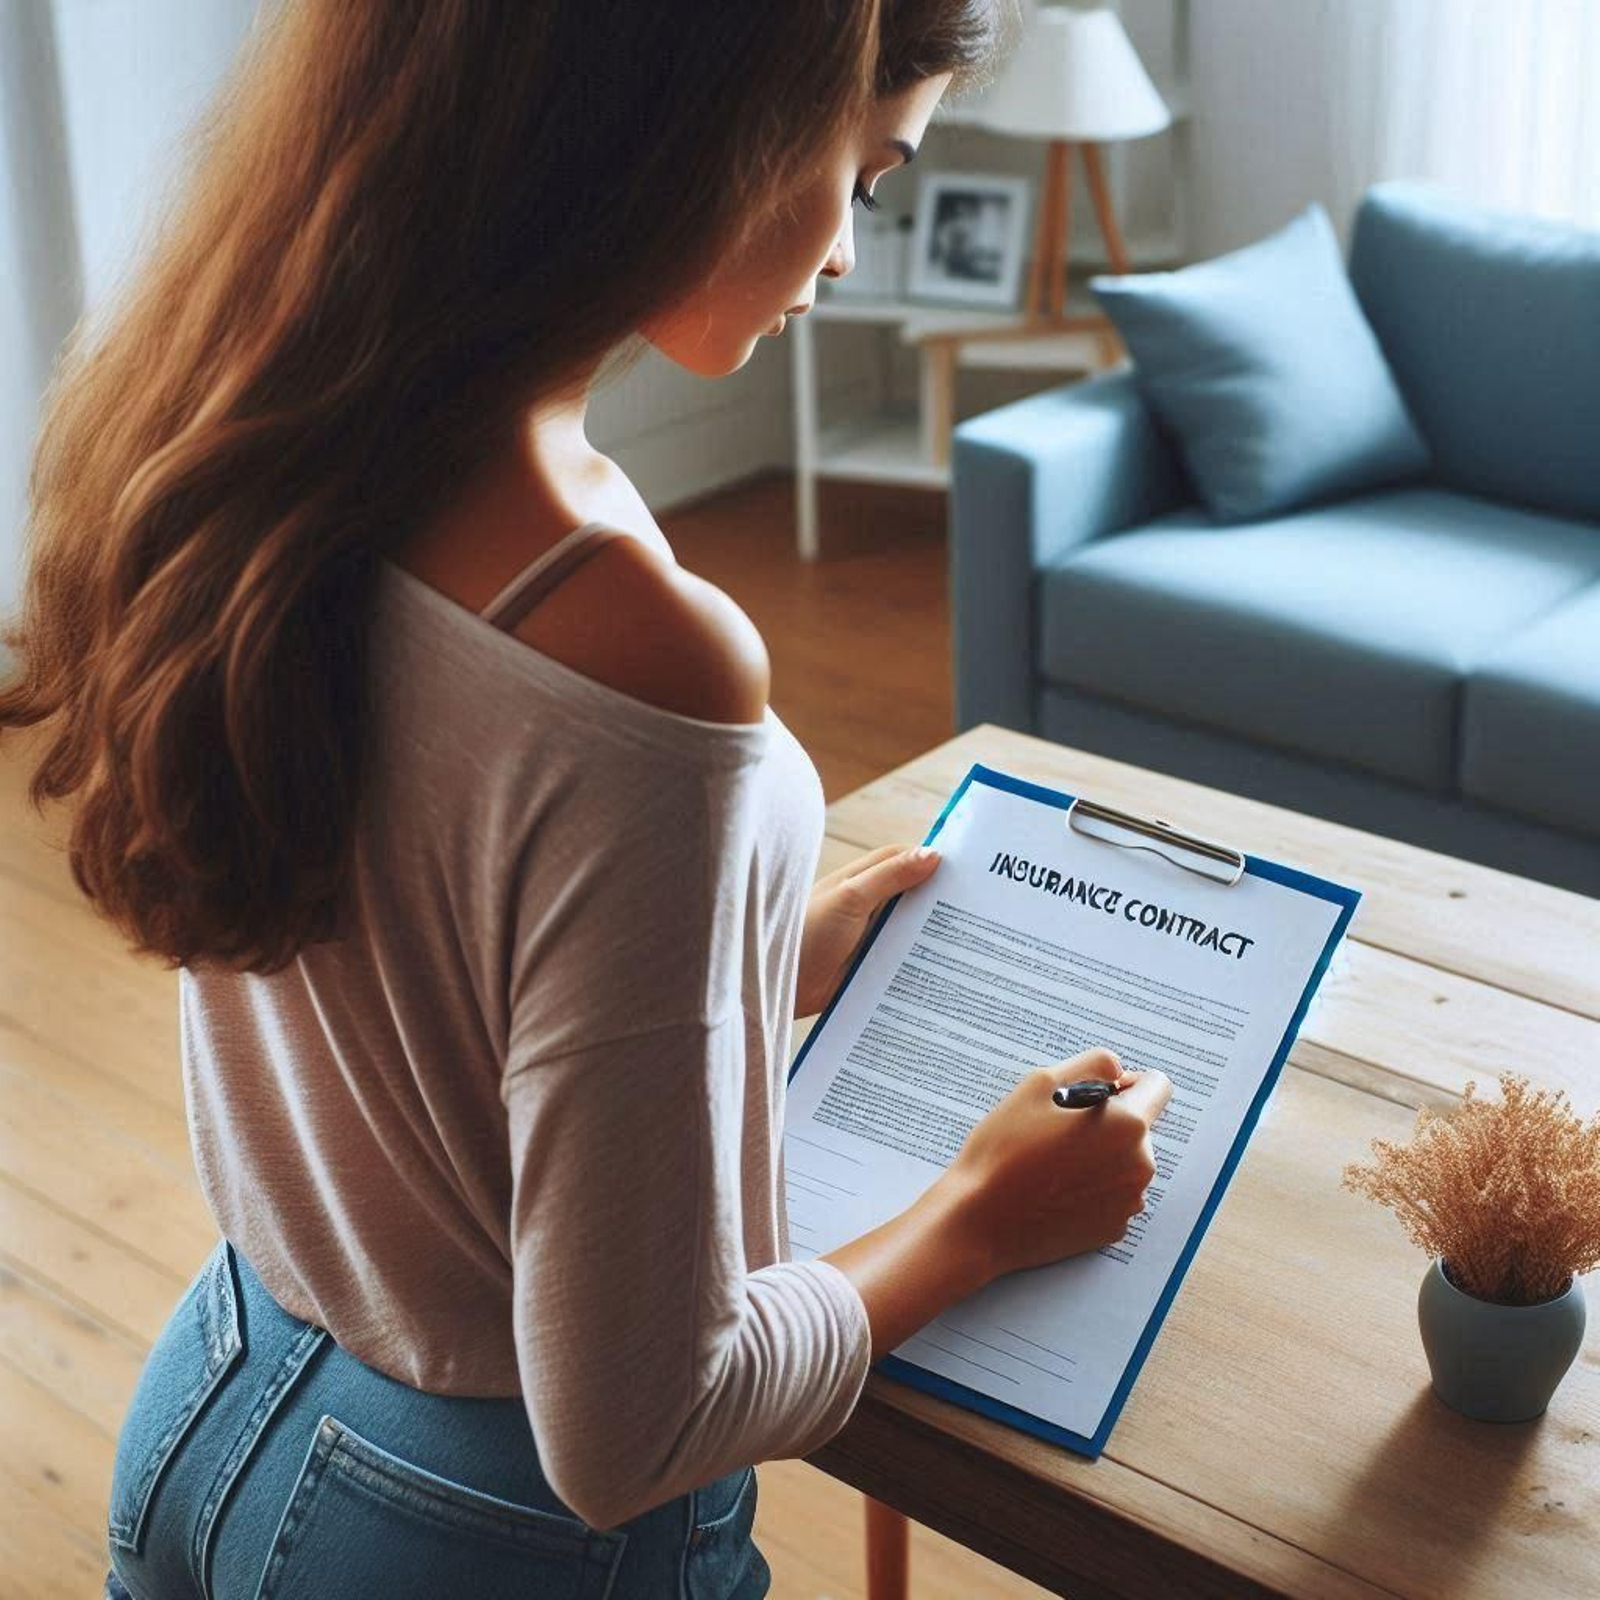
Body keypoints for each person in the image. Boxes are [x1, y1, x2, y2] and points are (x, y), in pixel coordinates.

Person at [0, 2, 1172, 1595]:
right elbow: (633, 1424)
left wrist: (752, 956)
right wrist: (984, 1213)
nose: (844, 252)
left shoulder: (266, 434)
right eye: (866, 175)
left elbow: (404, 924)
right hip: (475, 1537)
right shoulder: (636, 637)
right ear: (726, 125)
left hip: (214, 1389)